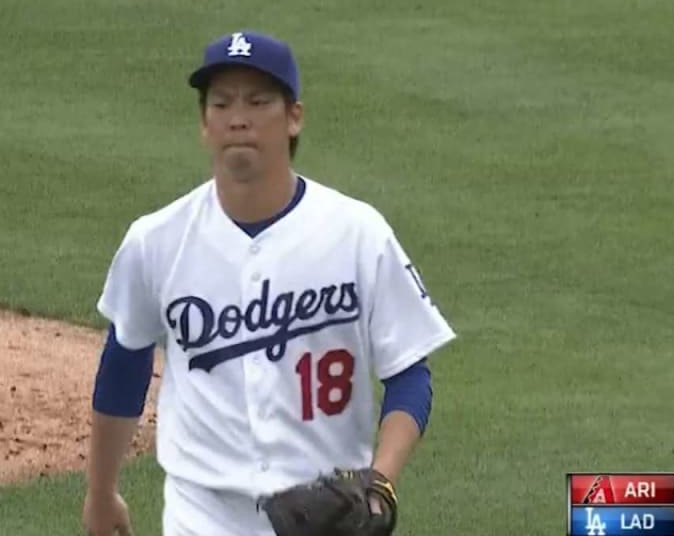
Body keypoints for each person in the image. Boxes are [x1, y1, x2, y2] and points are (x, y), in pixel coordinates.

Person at [82, 30, 456, 536]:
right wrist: (101, 493)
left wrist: (380, 482)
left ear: (294, 116)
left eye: (258, 102)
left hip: (333, 518)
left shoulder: (357, 234)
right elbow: (124, 365)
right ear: (204, 124)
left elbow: (410, 373)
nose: (239, 117)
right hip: (203, 516)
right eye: (222, 103)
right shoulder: (156, 241)